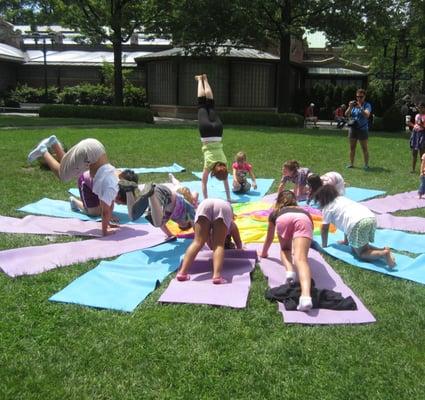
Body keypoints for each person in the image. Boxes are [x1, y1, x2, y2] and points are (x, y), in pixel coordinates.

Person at [27, 135, 119, 236]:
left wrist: (108, 223)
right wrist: (105, 231)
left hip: (94, 147)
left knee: (69, 168)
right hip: (87, 153)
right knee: (63, 175)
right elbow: (105, 211)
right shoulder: (110, 189)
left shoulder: (116, 183)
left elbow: (109, 207)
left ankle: (54, 143)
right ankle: (43, 151)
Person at [313, 185, 396, 268]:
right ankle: (383, 250)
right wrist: (346, 241)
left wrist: (324, 245)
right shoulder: (342, 199)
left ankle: (384, 254)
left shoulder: (328, 208)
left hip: (358, 223)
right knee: (357, 246)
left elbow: (324, 228)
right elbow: (346, 220)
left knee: (362, 253)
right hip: (370, 218)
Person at [259, 190, 314, 312]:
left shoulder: (275, 213)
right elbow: (310, 228)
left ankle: (290, 271)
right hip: (303, 219)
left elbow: (269, 237)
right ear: (294, 200)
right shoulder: (303, 211)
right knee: (301, 259)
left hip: (284, 219)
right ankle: (305, 297)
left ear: (278, 201)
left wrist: (264, 253)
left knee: (285, 249)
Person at [176, 198, 243, 284]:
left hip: (204, 204)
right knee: (218, 245)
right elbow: (237, 239)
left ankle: (182, 273)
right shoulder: (231, 224)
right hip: (223, 207)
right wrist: (239, 247)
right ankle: (216, 276)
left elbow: (209, 244)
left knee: (197, 242)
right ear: (232, 217)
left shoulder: (222, 228)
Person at [196, 74, 232, 202]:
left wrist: (228, 197)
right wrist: (205, 199)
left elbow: (226, 183)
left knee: (210, 104)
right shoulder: (209, 165)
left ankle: (205, 78)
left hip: (218, 131)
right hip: (206, 133)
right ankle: (200, 80)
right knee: (201, 104)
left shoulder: (224, 163)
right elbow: (204, 183)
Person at [345, 88, 372, 170]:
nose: (359, 98)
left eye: (361, 97)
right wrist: (350, 107)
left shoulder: (367, 105)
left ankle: (366, 165)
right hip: (353, 129)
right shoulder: (353, 105)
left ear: (364, 97)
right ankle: (351, 164)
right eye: (357, 97)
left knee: (364, 148)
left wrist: (360, 107)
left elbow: (367, 115)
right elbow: (346, 114)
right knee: (352, 147)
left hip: (363, 129)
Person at [407, 100, 425, 173]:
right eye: (419, 108)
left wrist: (420, 123)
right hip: (415, 134)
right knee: (414, 152)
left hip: (422, 134)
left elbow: (423, 126)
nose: (420, 109)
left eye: (422, 108)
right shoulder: (417, 115)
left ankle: (422, 170)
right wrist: (410, 124)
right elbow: (416, 125)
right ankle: (413, 169)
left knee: (422, 152)